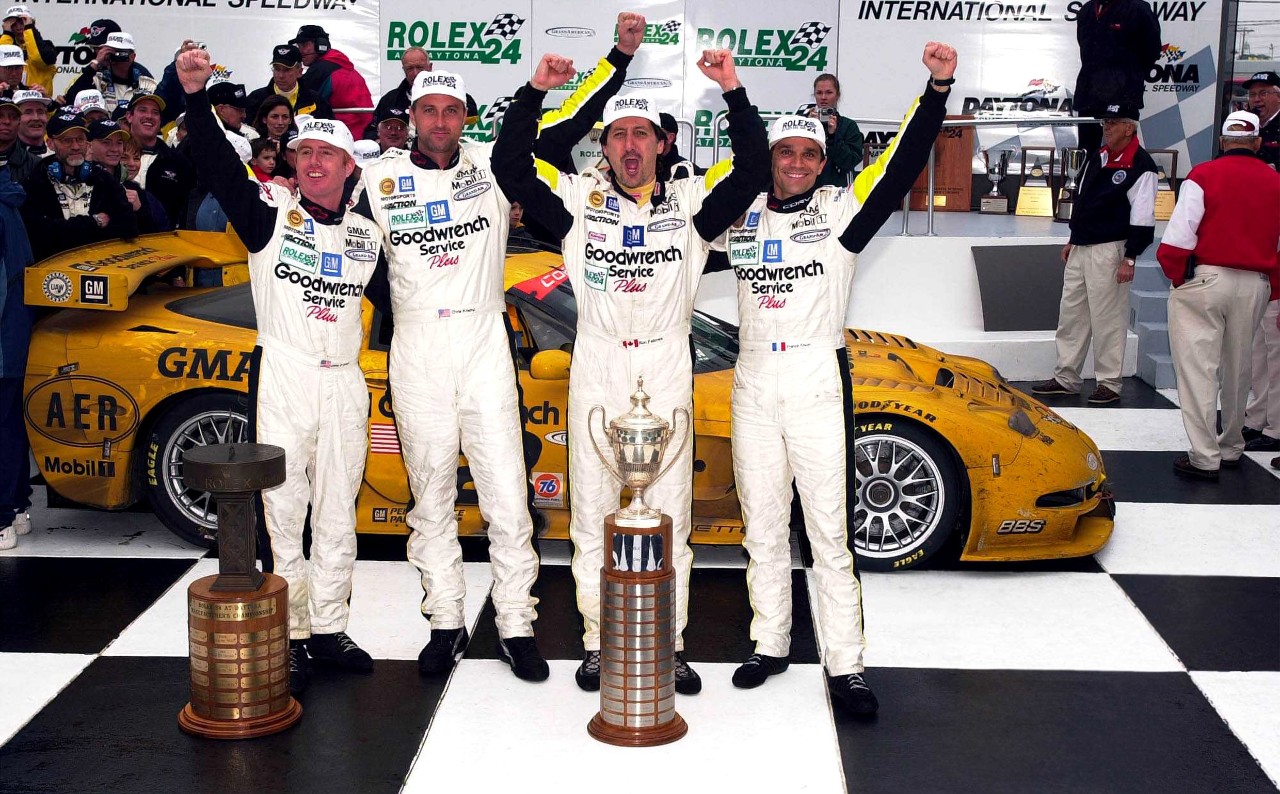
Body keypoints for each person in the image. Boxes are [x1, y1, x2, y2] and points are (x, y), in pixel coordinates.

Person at [355, 15, 644, 685]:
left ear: (466, 118)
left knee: (509, 495)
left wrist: (617, 57)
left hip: (484, 339)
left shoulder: (493, 163)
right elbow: (359, 261)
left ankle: (516, 624)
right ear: (411, 116)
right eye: (428, 110)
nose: (439, 121)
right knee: (429, 494)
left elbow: (570, 125)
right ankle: (445, 621)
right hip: (417, 346)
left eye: (451, 110)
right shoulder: (377, 178)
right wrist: (402, 307)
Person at [492, 19, 769, 695]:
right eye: (617, 135)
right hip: (597, 360)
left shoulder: (693, 203)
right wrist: (534, 93)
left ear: (661, 142)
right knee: (592, 509)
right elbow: (509, 165)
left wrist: (733, 91)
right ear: (604, 144)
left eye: (641, 133)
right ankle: (596, 642)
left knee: (669, 511)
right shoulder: (576, 203)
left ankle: (669, 644)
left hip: (666, 362)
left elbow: (754, 170)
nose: (629, 145)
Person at [716, 45, 955, 716]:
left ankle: (846, 666)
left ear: (823, 163)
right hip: (753, 379)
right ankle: (770, 644)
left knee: (828, 533)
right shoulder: (740, 214)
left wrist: (937, 89)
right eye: (785, 152)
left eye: (808, 154)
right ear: (770, 158)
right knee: (762, 527)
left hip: (817, 376)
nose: (795, 163)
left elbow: (902, 161)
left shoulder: (841, 213)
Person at [177, 46, 383, 693]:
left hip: (345, 378)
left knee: (338, 511)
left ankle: (329, 627)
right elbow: (216, 163)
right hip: (285, 374)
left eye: (328, 154)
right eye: (305, 152)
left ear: (349, 168)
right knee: (283, 509)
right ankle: (290, 635)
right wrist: (194, 98)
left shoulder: (368, 235)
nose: (314, 161)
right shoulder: (268, 213)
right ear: (294, 161)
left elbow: (409, 301)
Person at [1157, 110, 1280, 479]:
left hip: (1207, 278)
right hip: (1256, 283)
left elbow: (1177, 239)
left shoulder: (1204, 175)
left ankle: (1205, 456)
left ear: (1223, 142)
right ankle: (1231, 446)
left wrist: (1178, 278)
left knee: (1198, 369)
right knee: (1240, 368)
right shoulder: (1275, 181)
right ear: (1257, 142)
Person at [1032, 103, 1156, 405]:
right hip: (1082, 246)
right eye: (1105, 122)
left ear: (1130, 128)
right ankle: (1066, 377)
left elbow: (1143, 218)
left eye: (1113, 123)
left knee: (1108, 319)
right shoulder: (1098, 156)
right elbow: (1084, 200)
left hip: (1110, 250)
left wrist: (1130, 257)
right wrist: (1074, 237)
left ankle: (1109, 383)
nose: (1106, 128)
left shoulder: (1142, 165)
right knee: (1071, 315)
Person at [20, 110, 137, 259]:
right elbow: (39, 236)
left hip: (103, 266)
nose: (75, 146)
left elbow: (129, 227)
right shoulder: (34, 182)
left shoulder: (104, 180)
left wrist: (64, 229)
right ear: (50, 143)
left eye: (80, 139)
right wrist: (95, 222)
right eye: (67, 140)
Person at [1072, 0, 1160, 154]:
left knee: (1122, 151)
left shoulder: (1137, 9)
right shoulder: (1086, 10)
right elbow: (1084, 47)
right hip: (1089, 95)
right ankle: (1088, 171)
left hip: (1122, 96)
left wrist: (1127, 75)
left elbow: (1151, 50)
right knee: (1086, 153)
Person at [0, 160, 31, 550]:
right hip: (12, 336)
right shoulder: (8, 200)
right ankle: (17, 509)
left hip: (4, 337)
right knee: (9, 424)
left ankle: (3, 518)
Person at [122, 92, 193, 229]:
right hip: (114, 238)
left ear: (160, 120)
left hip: (163, 239)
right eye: (143, 110)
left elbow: (185, 213)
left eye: (155, 112)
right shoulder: (112, 156)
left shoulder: (180, 163)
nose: (149, 116)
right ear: (129, 116)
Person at [289, 25, 372, 139]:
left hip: (343, 135)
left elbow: (296, 98)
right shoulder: (338, 63)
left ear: (320, 44)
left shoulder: (321, 69)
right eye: (299, 46)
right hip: (360, 132)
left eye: (304, 45)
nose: (300, 51)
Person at [65, 32, 159, 117]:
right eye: (110, 53)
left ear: (132, 57)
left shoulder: (148, 84)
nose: (114, 57)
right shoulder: (95, 80)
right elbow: (70, 101)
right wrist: (96, 63)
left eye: (119, 53)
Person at [245, 44, 332, 125]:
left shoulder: (316, 100)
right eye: (277, 69)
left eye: (286, 70)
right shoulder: (256, 99)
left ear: (299, 72)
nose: (281, 75)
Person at [805, 73, 864, 188]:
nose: (823, 97)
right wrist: (809, 128)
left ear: (837, 95)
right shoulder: (804, 124)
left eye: (829, 92)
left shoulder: (849, 126)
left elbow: (850, 161)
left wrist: (833, 136)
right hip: (809, 189)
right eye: (819, 93)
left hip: (839, 189)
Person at [364, 46, 429, 140]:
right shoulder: (390, 99)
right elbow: (371, 131)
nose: (415, 73)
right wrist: (379, 141)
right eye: (410, 68)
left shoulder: (444, 98)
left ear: (430, 67)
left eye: (420, 68)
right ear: (404, 70)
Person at [0, 6, 53, 97]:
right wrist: (7, 34)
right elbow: (2, 61)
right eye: (13, 24)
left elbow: (37, 58)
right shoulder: (4, 42)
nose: (18, 28)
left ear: (32, 23)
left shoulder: (46, 46)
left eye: (22, 23)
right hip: (6, 100)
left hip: (38, 101)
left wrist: (29, 28)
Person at [1243, 71, 1279, 169]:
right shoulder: (1241, 124)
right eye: (1252, 94)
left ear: (1279, 97)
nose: (1256, 99)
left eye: (1263, 93)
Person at [0, 94, 38, 183]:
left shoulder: (36, 165)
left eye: (13, 117)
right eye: (0, 116)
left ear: (19, 123)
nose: (7, 121)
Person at [13, 88, 48, 155]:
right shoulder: (4, 155)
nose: (36, 118)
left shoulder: (59, 153)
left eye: (40, 112)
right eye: (28, 112)